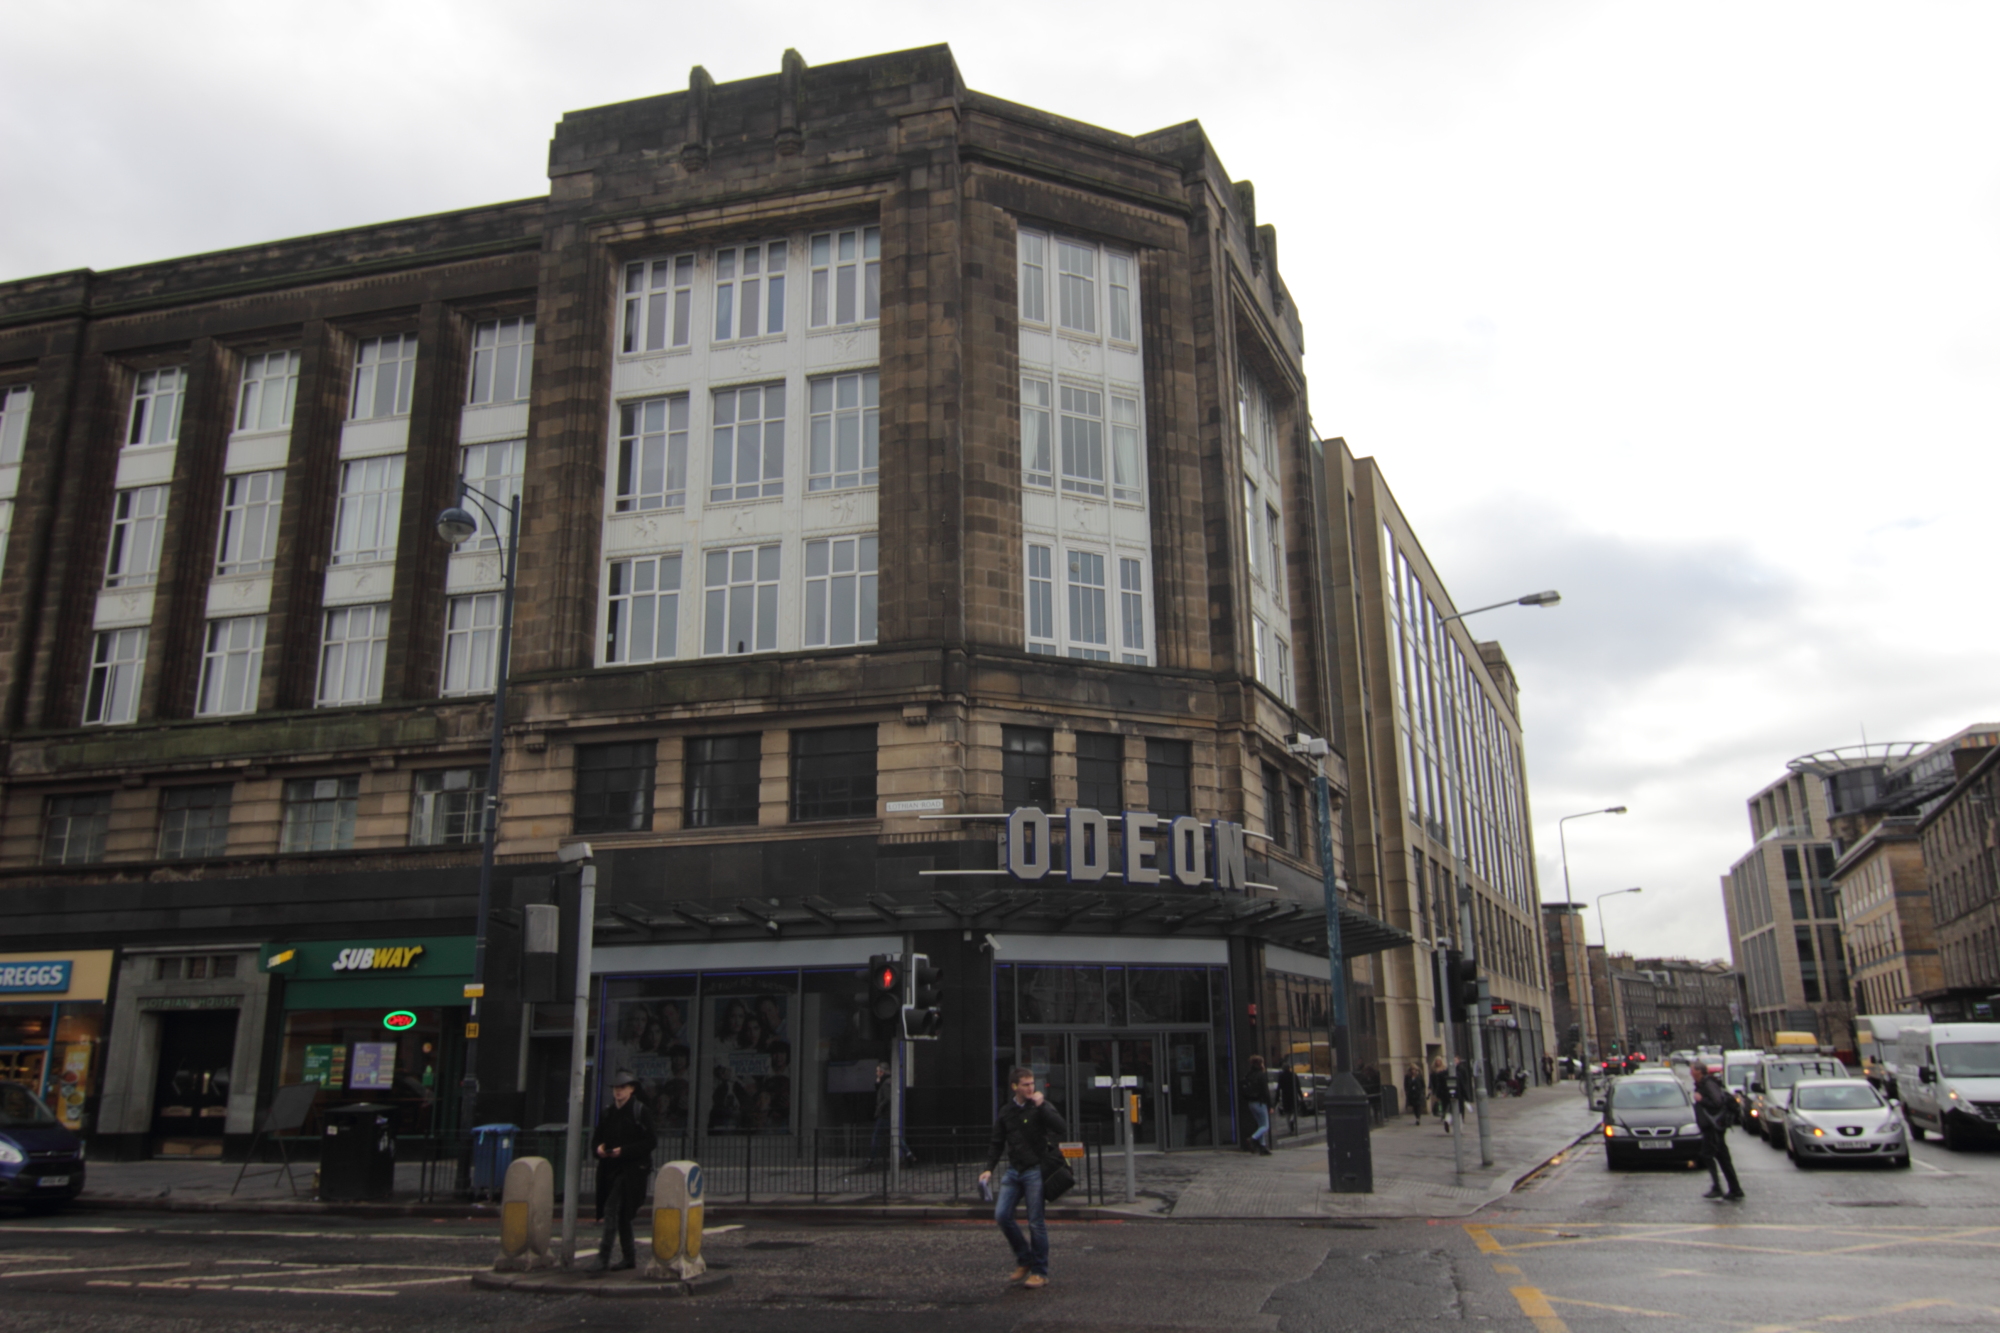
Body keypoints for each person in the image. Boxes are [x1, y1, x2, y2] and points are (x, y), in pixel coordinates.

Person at [979, 1066, 1067, 1289]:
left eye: (1032, 1084)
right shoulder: (1006, 1111)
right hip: (1014, 1170)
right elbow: (997, 1141)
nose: (1030, 1088)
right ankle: (1025, 1259)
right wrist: (989, 1168)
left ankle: (1040, 1272)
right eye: (1026, 1084)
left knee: (1036, 1222)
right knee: (1002, 1215)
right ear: (1014, 1087)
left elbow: (1061, 1127)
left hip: (1034, 1170)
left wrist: (1042, 1105)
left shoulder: (1039, 1106)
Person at [589, 1069, 654, 1272]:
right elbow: (596, 1140)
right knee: (623, 1214)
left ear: (631, 1089)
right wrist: (599, 1149)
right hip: (611, 1169)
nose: (618, 1091)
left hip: (632, 1171)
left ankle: (603, 1257)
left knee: (611, 1209)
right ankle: (629, 1257)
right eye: (616, 1088)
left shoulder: (640, 1111)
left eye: (623, 1087)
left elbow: (651, 1142)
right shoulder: (608, 1113)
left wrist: (624, 1151)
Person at [1692, 1062, 1744, 1201]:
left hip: (1713, 1127)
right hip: (1712, 1127)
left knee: (1707, 1155)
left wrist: (1702, 1100)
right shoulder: (1702, 1084)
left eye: (1692, 1070)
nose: (1691, 1072)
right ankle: (1735, 1189)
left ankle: (1719, 1188)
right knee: (1722, 1157)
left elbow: (1718, 1102)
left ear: (1699, 1071)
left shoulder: (1708, 1084)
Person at [1240, 1055, 1273, 1154]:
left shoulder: (1249, 1075)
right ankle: (1253, 1139)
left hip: (1251, 1103)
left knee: (1260, 1125)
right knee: (1265, 1126)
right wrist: (1270, 1105)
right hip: (1260, 1103)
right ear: (1260, 1064)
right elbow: (1265, 1091)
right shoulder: (1261, 1075)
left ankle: (1263, 1147)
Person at [1430, 1056, 1454, 1134]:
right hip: (1445, 1092)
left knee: (1446, 1106)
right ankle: (1446, 1118)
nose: (1438, 1063)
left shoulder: (1443, 1071)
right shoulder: (1435, 1072)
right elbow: (1433, 1082)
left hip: (1442, 1092)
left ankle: (1446, 1117)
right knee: (1448, 1107)